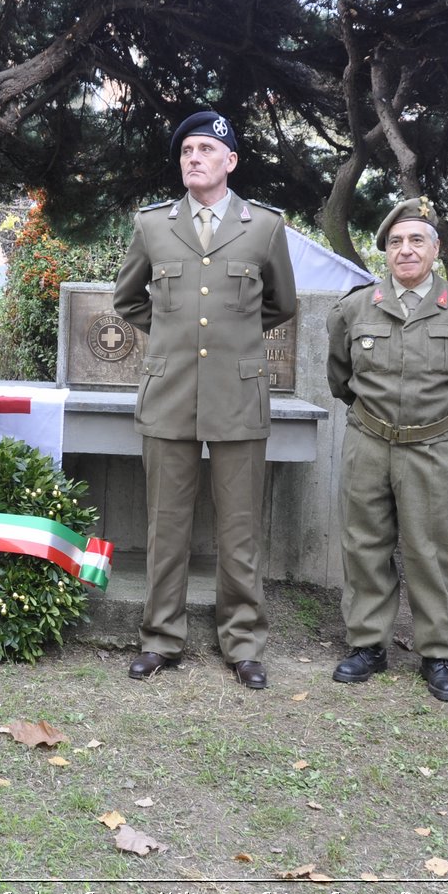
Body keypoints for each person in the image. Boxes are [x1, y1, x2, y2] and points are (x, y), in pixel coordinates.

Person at [112, 111, 298, 690]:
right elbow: (128, 300)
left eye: (206, 149)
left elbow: (281, 303)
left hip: (238, 395)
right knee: (166, 525)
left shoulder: (264, 227)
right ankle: (161, 639)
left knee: (239, 528)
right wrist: (174, 335)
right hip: (170, 392)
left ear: (230, 162)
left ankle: (242, 642)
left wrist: (232, 338)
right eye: (187, 150)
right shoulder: (153, 227)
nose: (193, 158)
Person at [325, 199, 448, 702]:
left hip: (435, 447)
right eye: (396, 242)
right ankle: (367, 645)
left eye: (416, 239)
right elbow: (340, 378)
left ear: (436, 249)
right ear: (385, 252)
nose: (406, 250)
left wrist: (441, 423)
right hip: (368, 443)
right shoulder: (355, 308)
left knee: (433, 549)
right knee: (364, 546)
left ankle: (437, 654)